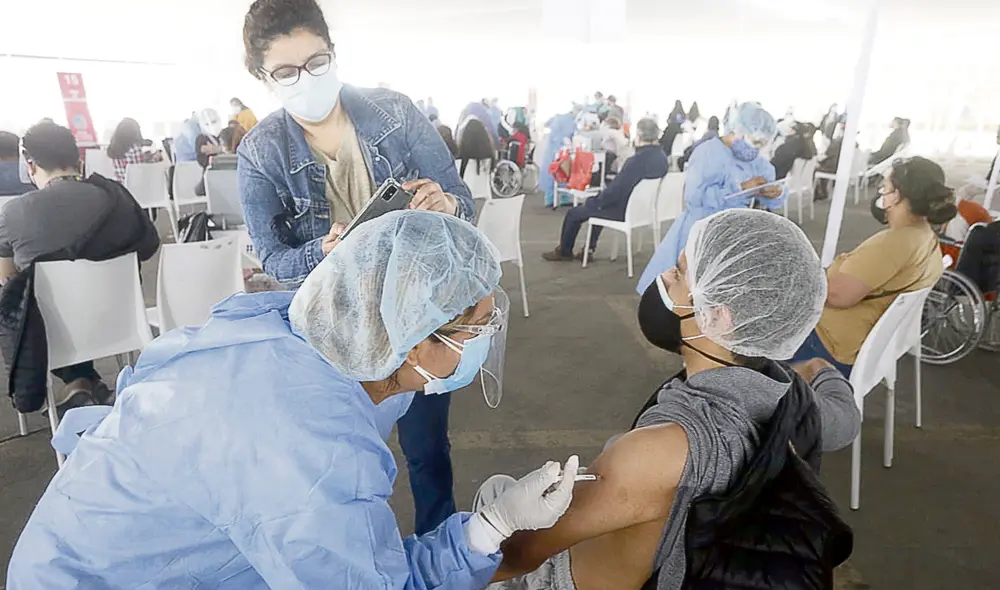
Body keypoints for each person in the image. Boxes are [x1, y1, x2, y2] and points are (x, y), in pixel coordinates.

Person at [6, 210, 581, 589]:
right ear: (413, 339)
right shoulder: (309, 452)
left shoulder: (314, 335)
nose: (486, 340)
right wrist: (491, 525)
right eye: (475, 329)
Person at [490, 209, 859, 590]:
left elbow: (518, 554)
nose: (664, 277)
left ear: (719, 316)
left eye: (680, 273)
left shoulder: (658, 451)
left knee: (493, 499)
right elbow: (845, 422)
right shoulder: (794, 406)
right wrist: (819, 369)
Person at [236, 0, 475, 536]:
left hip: (415, 313)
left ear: (334, 53)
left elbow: (462, 198)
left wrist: (448, 204)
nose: (306, 80)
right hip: (330, 324)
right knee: (333, 461)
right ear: (262, 77)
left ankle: (444, 550)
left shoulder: (395, 113)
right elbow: (273, 259)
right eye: (286, 72)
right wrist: (323, 251)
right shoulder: (261, 152)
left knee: (426, 451)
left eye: (317, 62)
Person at [0, 122, 160, 418]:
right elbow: (148, 248)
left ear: (31, 165)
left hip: (54, 339)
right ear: (78, 158)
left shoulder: (14, 213)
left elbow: (8, 280)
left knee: (31, 303)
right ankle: (87, 382)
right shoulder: (117, 197)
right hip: (124, 323)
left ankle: (79, 383)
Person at [790, 157, 956, 377]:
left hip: (828, 348)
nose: (881, 193)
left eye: (884, 187)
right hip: (866, 348)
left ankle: (754, 394)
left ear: (895, 196)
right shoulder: (926, 238)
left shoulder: (894, 243)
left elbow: (837, 295)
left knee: (753, 329)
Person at [637, 102, 786, 293]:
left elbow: (769, 183)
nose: (756, 149)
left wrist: (775, 192)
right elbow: (694, 197)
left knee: (722, 290)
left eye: (762, 144)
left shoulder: (755, 159)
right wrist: (739, 188)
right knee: (689, 288)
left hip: (735, 232)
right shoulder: (708, 153)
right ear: (737, 130)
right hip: (700, 229)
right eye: (754, 142)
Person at [541, 118, 667, 262]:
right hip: (644, 209)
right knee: (600, 207)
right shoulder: (661, 158)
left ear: (638, 136)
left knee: (575, 213)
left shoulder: (636, 161)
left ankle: (564, 251)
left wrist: (595, 200)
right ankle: (588, 249)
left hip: (625, 210)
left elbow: (616, 191)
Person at [539, 108, 579, 207]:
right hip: (559, 149)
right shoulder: (568, 121)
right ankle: (556, 198)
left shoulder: (560, 118)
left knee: (556, 172)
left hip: (555, 149)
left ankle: (553, 199)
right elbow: (567, 136)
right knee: (559, 172)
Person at [107, 118, 161, 183]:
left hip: (122, 187)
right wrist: (156, 157)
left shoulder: (114, 147)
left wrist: (145, 157)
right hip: (137, 186)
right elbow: (141, 170)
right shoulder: (134, 148)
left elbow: (131, 164)